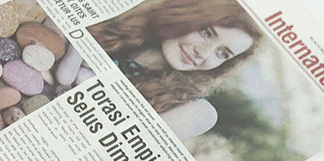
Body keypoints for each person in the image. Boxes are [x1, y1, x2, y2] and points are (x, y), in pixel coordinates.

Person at [89, 0, 261, 140]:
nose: (203, 53)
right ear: (184, 15)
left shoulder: (190, 109)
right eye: (206, 33)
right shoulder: (111, 27)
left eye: (222, 53)